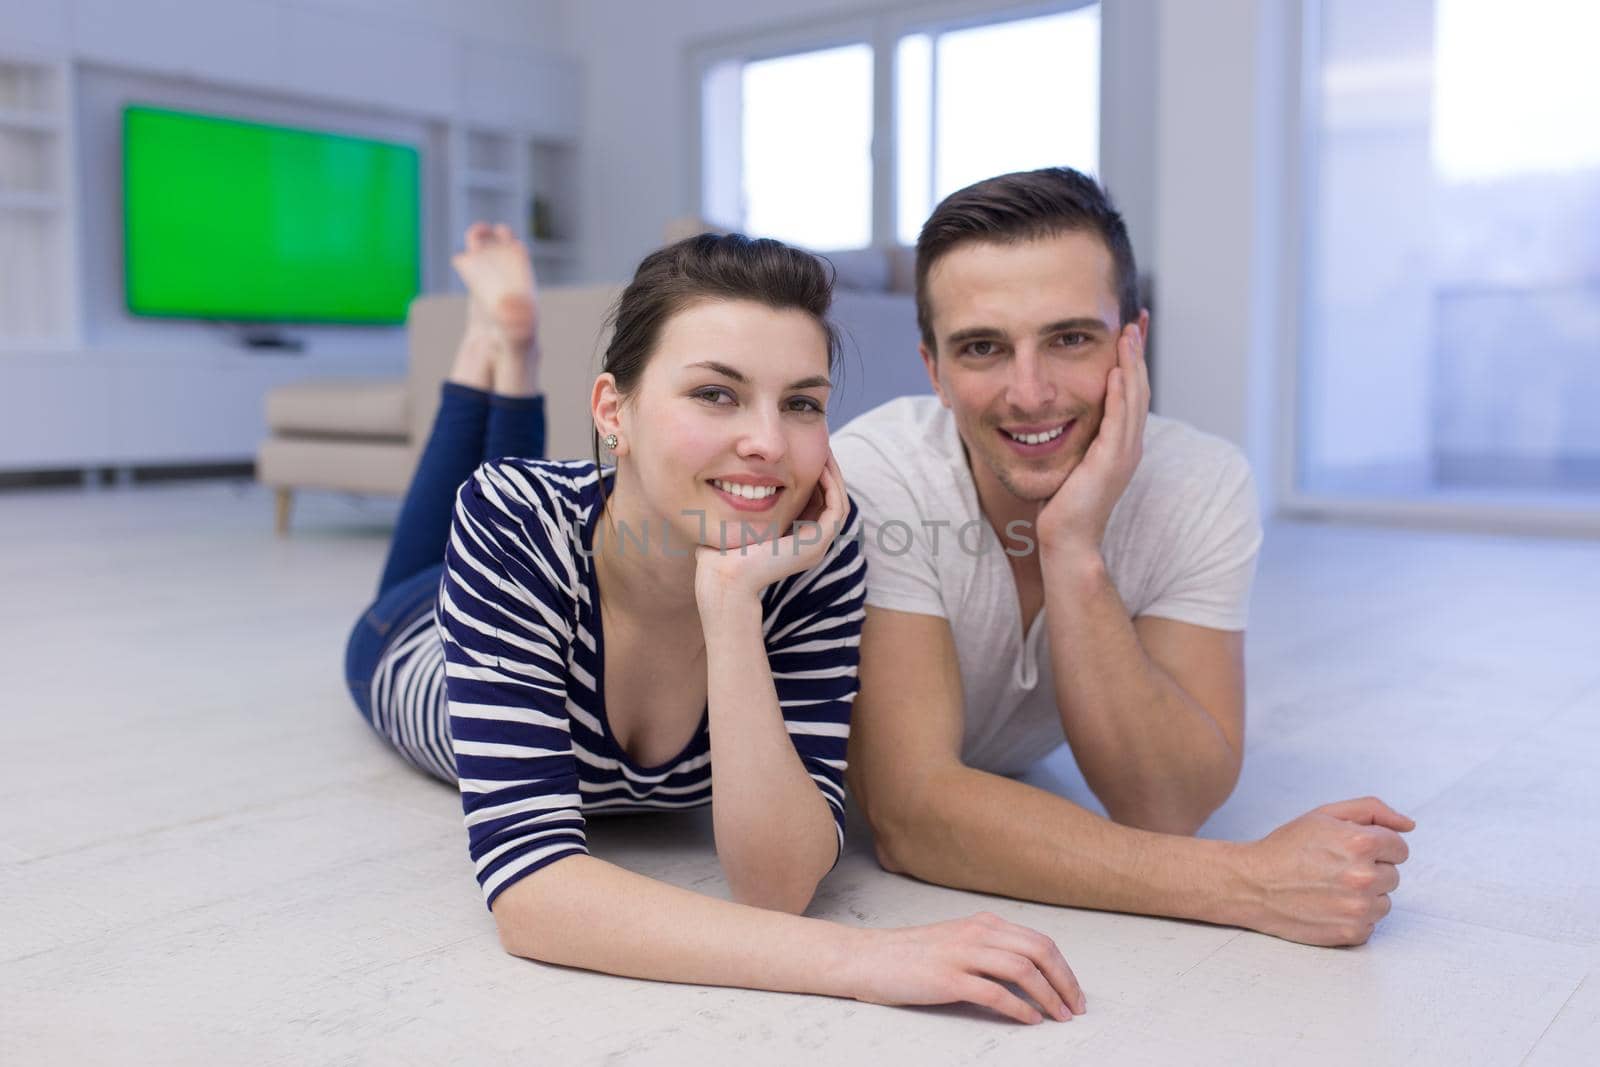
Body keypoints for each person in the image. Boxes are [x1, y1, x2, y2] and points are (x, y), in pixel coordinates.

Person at [343, 223, 1087, 1024]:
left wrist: (732, 603)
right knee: (445, 525)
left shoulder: (816, 553)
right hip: (408, 633)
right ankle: (506, 350)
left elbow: (777, 885)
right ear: (612, 410)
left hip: (594, 531)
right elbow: (533, 893)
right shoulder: (510, 519)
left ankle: (509, 345)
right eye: (716, 393)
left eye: (801, 402)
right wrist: (868, 957)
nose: (768, 442)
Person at [834, 168, 1415, 948]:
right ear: (934, 370)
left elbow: (1166, 801)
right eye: (982, 348)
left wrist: (1073, 547)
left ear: (1132, 342)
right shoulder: (879, 470)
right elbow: (911, 815)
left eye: (1070, 338)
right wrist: (1248, 882)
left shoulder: (1201, 483)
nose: (1030, 392)